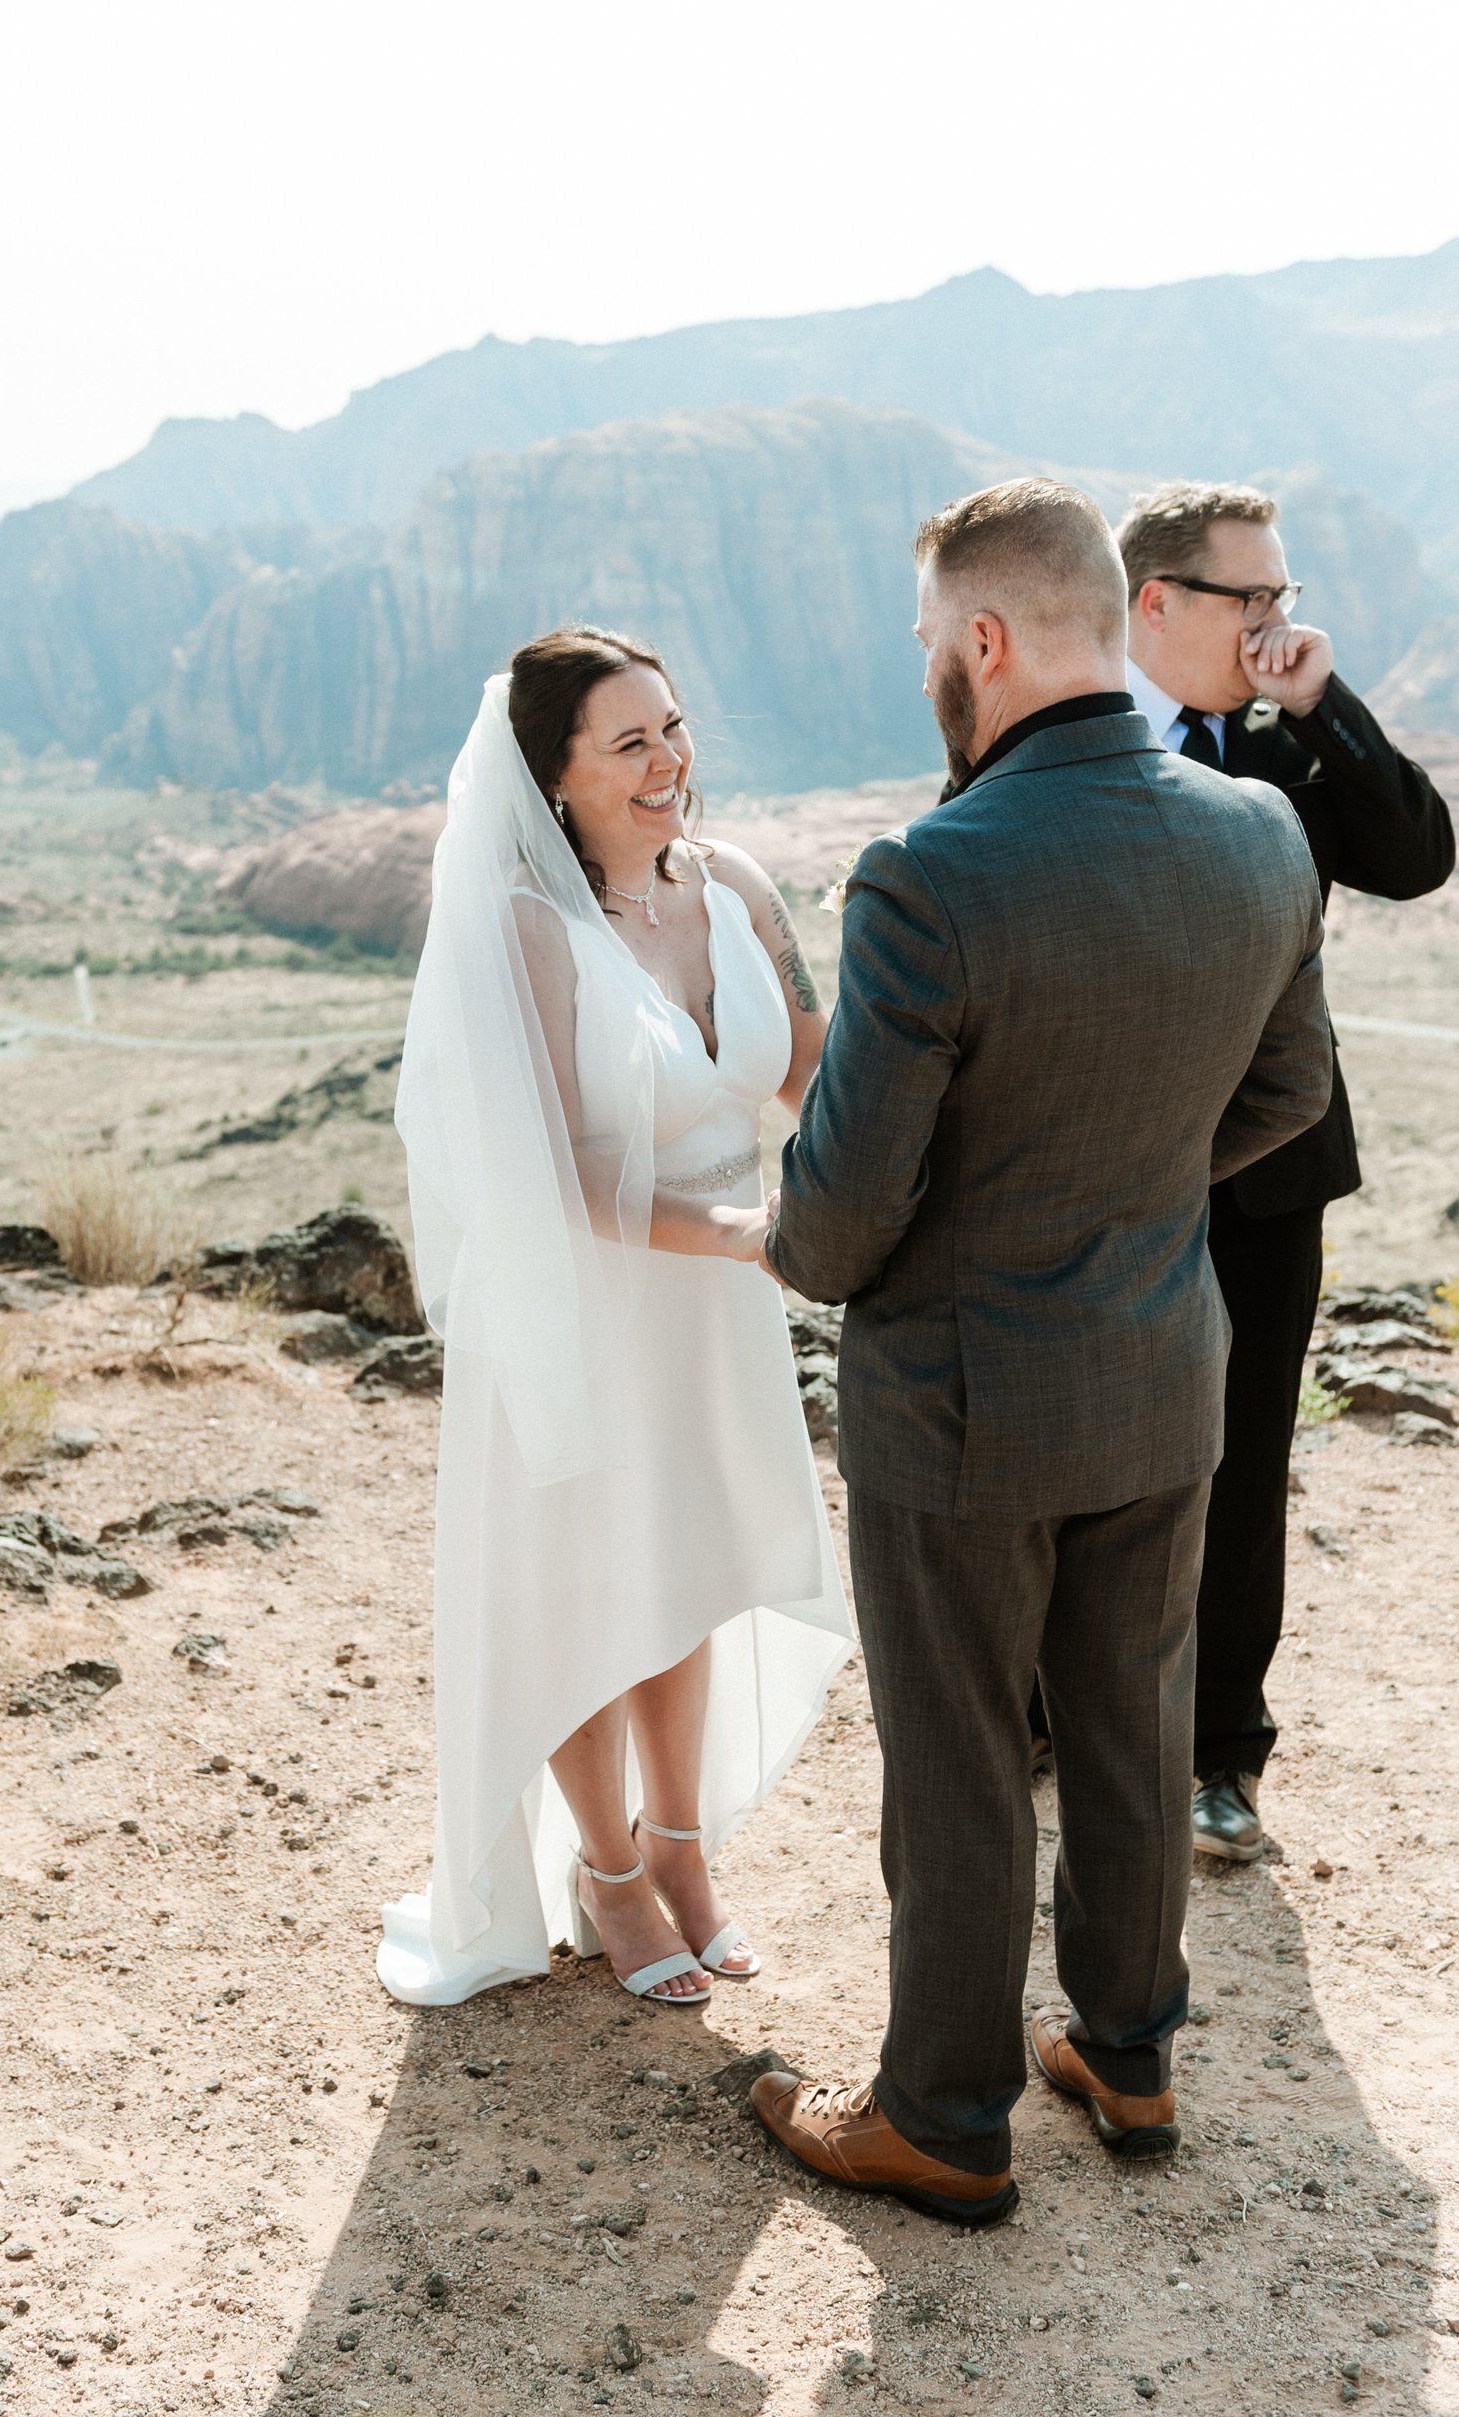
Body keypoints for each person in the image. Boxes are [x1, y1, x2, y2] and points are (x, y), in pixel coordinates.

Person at [750, 479, 1333, 2222]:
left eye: (936, 643)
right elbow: (1287, 1096)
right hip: (1165, 1372)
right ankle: (1131, 2053)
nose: (932, 669)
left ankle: (939, 2112)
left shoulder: (931, 872)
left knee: (955, 1758)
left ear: (986, 641)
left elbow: (835, 1229)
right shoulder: (1254, 834)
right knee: (1134, 1726)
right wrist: (1128, 1199)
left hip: (958, 1402)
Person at [377, 627, 854, 2008]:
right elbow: (556, 1170)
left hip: (719, 1306)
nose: (669, 763)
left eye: (675, 728)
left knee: (690, 1571)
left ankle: (684, 1847)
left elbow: (813, 1079)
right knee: (588, 1584)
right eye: (629, 743)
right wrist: (745, 1234)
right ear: (555, 774)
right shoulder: (525, 930)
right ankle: (606, 1872)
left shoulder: (739, 890)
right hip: (579, 1298)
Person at [1115, 483, 1455, 1862]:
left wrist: (1324, 706)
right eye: (1246, 597)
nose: (1273, 621)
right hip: (1104, 1166)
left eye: (1283, 596)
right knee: (1085, 1458)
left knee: (1243, 1459)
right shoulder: (1053, 732)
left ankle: (1217, 1756)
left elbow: (1417, 858)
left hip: (1267, 1169)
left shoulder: (1285, 740)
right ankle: (1046, 1712)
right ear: (1153, 603)